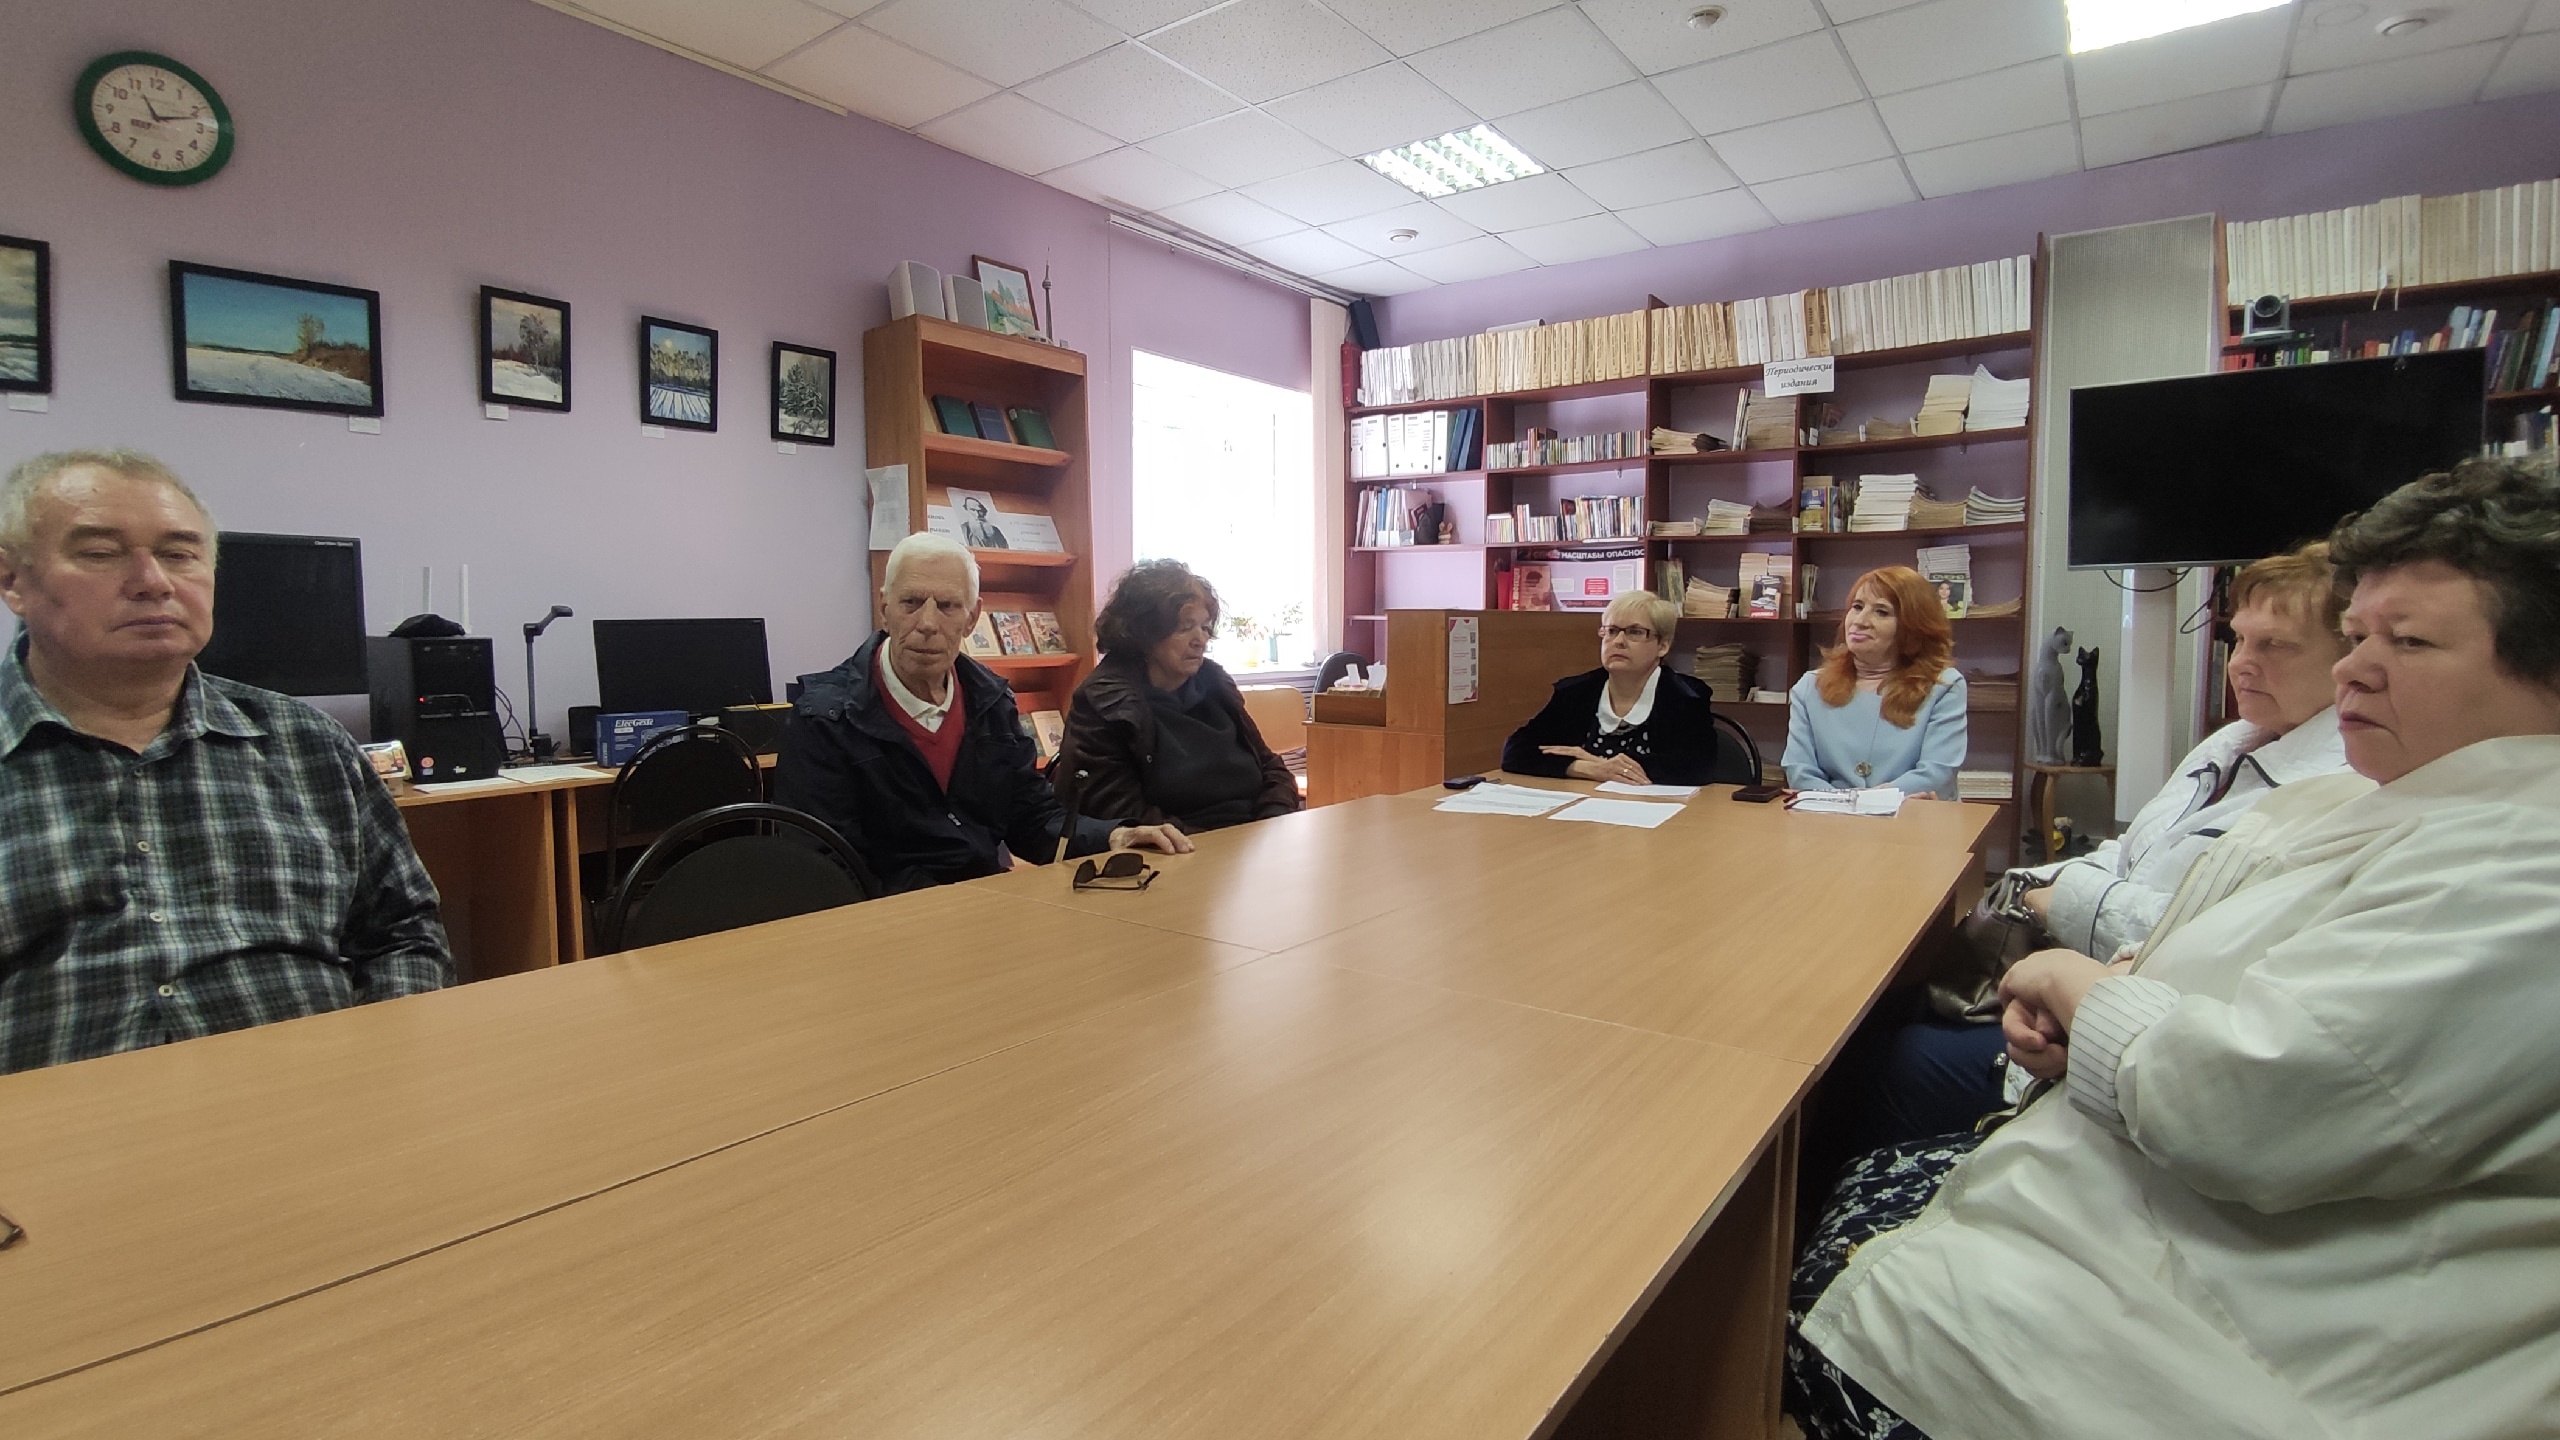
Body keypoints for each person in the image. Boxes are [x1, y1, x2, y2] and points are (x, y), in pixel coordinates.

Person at [1789, 457, 2560, 1440]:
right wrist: (2110, 993)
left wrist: (2077, 983)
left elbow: (2250, 1097)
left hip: (2203, 1336)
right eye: (2359, 634)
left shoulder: (2515, 867)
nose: (2353, 670)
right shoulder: (2364, 789)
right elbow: (2212, 948)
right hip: (2113, 1194)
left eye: (2405, 641)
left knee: (1811, 1245)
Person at [1829, 544, 2356, 1155]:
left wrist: (2057, 898)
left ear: (2353, 656)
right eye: (2238, 640)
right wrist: (2037, 883)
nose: (2241, 664)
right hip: (2087, 977)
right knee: (1873, 1011)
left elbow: (2205, 939)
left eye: (2276, 646)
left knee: (1889, 1059)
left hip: (2130, 1021)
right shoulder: (2233, 741)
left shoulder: (2336, 791)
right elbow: (2131, 849)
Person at [0, 449, 451, 1074]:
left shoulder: (308, 745)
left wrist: (384, 1062)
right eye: (101, 553)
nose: (153, 582)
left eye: (179, 554)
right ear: (12, 582)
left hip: (320, 1094)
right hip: (56, 1121)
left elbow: (404, 934)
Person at [776, 533, 1188, 894]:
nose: (927, 623)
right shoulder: (823, 719)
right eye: (911, 603)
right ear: (885, 608)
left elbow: (1032, 819)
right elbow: (827, 867)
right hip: (887, 925)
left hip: (986, 909)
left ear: (973, 617)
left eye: (948, 606)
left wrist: (1113, 835)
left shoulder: (991, 701)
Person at [1057, 559, 1299, 834]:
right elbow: (1121, 813)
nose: (1200, 640)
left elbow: (1271, 768)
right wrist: (1218, 846)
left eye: (1205, 628)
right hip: (1179, 849)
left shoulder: (1214, 683)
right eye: (1185, 628)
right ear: (1144, 633)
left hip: (1252, 838)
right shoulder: (1104, 701)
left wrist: (1271, 823)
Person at [1500, 589, 1719, 786]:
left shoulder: (1686, 696)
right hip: (1584, 806)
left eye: (1635, 632)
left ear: (1662, 646)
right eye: (1611, 631)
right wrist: (1585, 768)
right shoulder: (1574, 693)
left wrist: (1599, 762)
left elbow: (1697, 767)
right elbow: (1515, 752)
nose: (1619, 641)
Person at [1782, 566, 1966, 797]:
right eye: (1857, 607)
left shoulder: (1944, 686)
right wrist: (1853, 806)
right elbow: (1800, 771)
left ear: (1913, 627)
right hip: (1829, 815)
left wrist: (1870, 802)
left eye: (1881, 612)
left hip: (1913, 814)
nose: (1860, 621)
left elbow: (1937, 773)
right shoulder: (1810, 687)